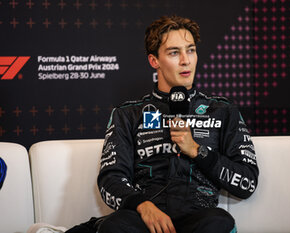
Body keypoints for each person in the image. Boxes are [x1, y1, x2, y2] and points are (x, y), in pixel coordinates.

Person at [97, 15, 259, 233]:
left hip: (199, 218)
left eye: (190, 50)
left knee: (220, 222)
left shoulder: (222, 110)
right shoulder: (128, 114)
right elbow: (111, 178)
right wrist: (142, 206)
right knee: (113, 227)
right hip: (145, 219)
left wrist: (197, 151)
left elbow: (247, 182)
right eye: (174, 52)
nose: (186, 60)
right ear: (154, 60)